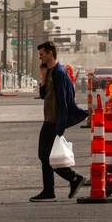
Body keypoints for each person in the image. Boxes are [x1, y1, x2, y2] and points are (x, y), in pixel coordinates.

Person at [32, 41, 86, 201]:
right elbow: (43, 95)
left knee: (45, 156)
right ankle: (63, 184)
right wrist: (42, 77)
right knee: (45, 156)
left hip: (54, 121)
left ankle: (69, 181)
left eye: (42, 54)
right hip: (49, 119)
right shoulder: (49, 72)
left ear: (50, 53)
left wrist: (60, 127)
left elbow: (63, 101)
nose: (40, 57)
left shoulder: (59, 73)